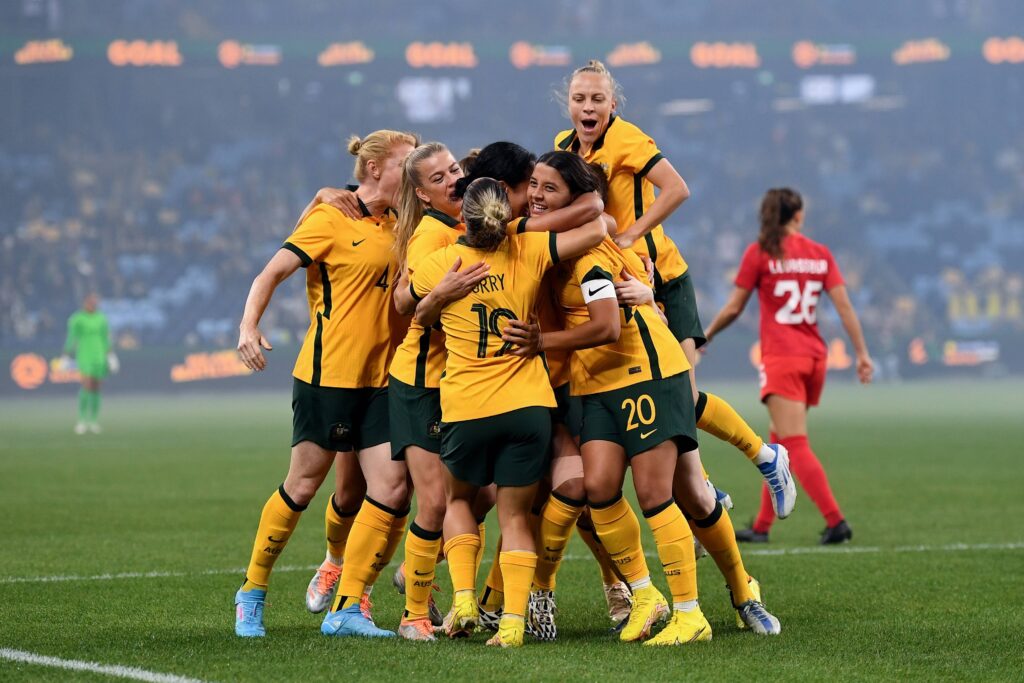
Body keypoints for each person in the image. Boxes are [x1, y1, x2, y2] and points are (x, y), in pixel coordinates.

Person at [509, 152, 780, 642]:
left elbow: (607, 325)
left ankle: (721, 600)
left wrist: (542, 341)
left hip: (645, 374)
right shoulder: (557, 240)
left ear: (574, 198)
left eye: (550, 188)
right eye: (533, 184)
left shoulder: (587, 254)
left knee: (675, 493)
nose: (537, 195)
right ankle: (644, 595)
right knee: (599, 488)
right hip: (596, 384)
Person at [554, 60, 796, 518]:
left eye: (598, 99)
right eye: (579, 98)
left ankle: (763, 457)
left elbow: (677, 189)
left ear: (613, 104)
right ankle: (706, 486)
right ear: (567, 103)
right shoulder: (564, 147)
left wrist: (631, 234)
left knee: (680, 392)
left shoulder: (627, 138)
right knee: (668, 400)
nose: (588, 107)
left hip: (660, 275)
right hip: (618, 278)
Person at [233, 129, 417, 638]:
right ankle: (252, 591)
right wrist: (249, 325)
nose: (414, 171)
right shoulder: (330, 217)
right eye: (405, 163)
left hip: (384, 380)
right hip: (328, 377)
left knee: (392, 491)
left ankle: (348, 606)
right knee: (303, 486)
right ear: (375, 167)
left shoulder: (405, 220)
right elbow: (270, 274)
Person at [410, 177, 606, 648]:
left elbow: (415, 311)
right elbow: (598, 228)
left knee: (459, 503)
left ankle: (463, 600)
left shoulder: (439, 263)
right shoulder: (530, 250)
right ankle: (514, 623)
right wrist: (527, 226)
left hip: (466, 405)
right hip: (526, 405)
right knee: (516, 517)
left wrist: (440, 294)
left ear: (464, 217)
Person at [703, 188, 873, 545]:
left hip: (783, 357)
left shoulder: (760, 252)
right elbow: (844, 307)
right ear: (797, 215)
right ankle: (762, 526)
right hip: (814, 357)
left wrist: (707, 335)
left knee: (793, 442)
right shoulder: (820, 254)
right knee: (779, 439)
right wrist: (861, 353)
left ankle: (836, 521)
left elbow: (734, 307)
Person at [63, 293, 116, 434]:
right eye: (91, 302)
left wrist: (110, 355)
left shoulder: (101, 318)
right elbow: (71, 337)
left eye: (95, 302)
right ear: (85, 303)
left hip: (99, 356)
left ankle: (93, 421)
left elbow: (105, 338)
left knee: (96, 387)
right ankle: (81, 420)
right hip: (85, 355)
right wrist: (66, 355)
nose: (93, 305)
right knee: (87, 384)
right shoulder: (77, 319)